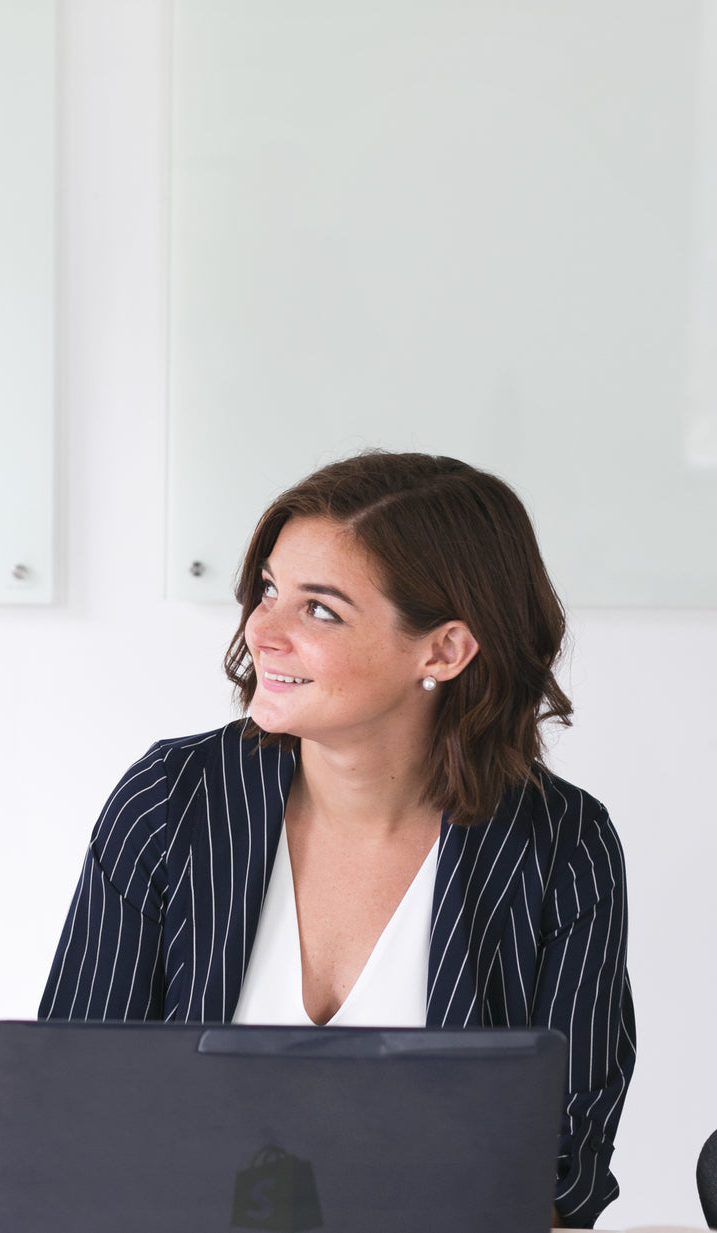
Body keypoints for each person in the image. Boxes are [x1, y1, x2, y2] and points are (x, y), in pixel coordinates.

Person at [40, 452, 633, 1229]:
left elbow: (562, 1170)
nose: (263, 629)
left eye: (319, 609)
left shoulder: (563, 847)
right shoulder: (171, 802)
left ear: (444, 650)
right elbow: (69, 1107)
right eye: (268, 590)